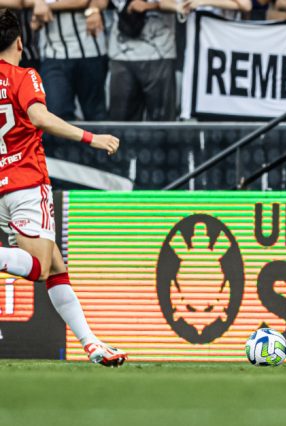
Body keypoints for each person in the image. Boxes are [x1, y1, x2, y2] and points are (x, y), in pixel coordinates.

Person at [0, 10, 126, 367]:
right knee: (40, 266)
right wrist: (91, 137)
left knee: (55, 266)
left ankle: (91, 345)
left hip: (1, 187)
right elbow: (39, 116)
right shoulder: (24, 76)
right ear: (21, 42)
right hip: (26, 182)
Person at [32, 0, 109, 121]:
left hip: (91, 51)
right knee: (57, 115)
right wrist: (37, 3)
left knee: (95, 116)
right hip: (54, 54)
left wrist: (45, 4)